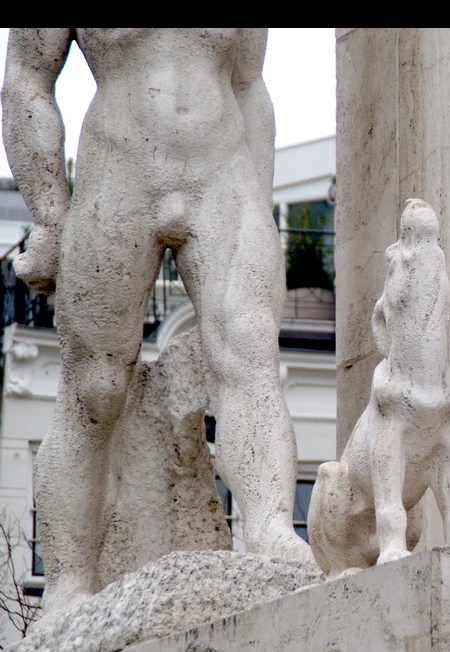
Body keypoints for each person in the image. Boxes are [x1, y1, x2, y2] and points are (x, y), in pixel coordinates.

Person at [2, 28, 313, 614]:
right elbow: (27, 78)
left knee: (250, 357)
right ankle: (70, 580)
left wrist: (260, 203)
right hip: (118, 174)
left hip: (223, 175)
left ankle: (270, 529)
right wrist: (47, 216)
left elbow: (250, 85)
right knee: (94, 387)